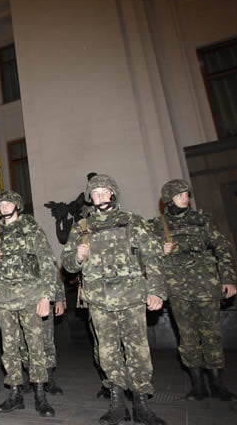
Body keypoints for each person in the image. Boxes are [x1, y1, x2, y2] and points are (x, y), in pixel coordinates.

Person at [61, 174, 167, 425]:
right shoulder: (81, 227)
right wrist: (76, 256)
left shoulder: (133, 221)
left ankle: (142, 404)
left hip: (131, 296)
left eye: (103, 192)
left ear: (112, 193)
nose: (99, 196)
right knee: (108, 353)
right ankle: (117, 404)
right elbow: (68, 265)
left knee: (138, 351)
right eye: (94, 193)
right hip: (99, 299)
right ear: (90, 198)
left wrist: (156, 291)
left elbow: (153, 257)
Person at [150, 179, 237, 401]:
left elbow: (222, 248)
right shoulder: (157, 226)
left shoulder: (202, 220)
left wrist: (228, 278)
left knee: (212, 335)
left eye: (187, 195)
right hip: (178, 289)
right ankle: (198, 385)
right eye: (180, 196)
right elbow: (146, 258)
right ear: (169, 200)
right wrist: (160, 250)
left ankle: (218, 384)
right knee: (187, 337)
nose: (186, 199)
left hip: (207, 286)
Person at [0, 190, 58, 417]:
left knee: (35, 346)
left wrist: (46, 296)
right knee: (10, 347)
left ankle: (40, 394)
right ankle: (14, 393)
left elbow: (48, 264)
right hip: (4, 299)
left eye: (8, 203)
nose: (4, 207)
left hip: (30, 296)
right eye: (1, 204)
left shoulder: (32, 230)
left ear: (18, 206)